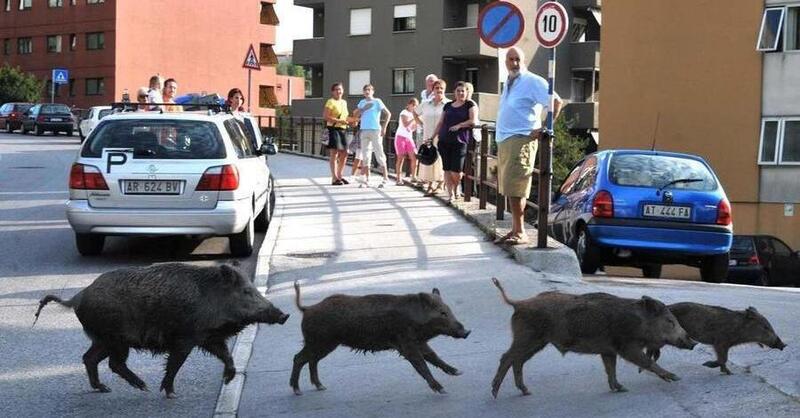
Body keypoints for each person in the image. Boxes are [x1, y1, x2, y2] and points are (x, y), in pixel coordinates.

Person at [495, 46, 562, 245]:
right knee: (508, 186)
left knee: (516, 186)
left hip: (521, 138)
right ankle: (515, 229)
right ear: (505, 62)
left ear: (523, 61)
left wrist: (543, 128)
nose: (514, 63)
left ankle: (521, 231)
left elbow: (556, 101)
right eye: (510, 59)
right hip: (505, 139)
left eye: (517, 59)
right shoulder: (509, 81)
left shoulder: (532, 81)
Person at [432, 81, 478, 203]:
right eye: (458, 91)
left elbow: (473, 121)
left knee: (456, 170)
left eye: (463, 90)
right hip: (444, 139)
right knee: (446, 168)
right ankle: (451, 194)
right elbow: (441, 122)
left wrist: (460, 125)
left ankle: (457, 186)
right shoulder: (448, 105)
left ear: (467, 92)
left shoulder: (470, 104)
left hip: (460, 140)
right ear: (454, 92)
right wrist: (432, 137)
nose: (460, 93)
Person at [352, 84, 391, 188]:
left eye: (369, 90)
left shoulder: (377, 101)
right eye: (365, 90)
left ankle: (385, 178)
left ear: (373, 91)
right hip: (364, 130)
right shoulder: (362, 102)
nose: (367, 92)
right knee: (365, 154)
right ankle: (367, 179)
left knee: (379, 152)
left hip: (375, 130)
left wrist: (384, 127)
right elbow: (355, 115)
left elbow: (388, 113)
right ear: (363, 92)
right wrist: (362, 109)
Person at [416, 79, 448, 195]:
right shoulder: (425, 104)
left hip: (442, 136)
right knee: (429, 159)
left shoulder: (448, 104)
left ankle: (440, 184)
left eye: (441, 88)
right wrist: (420, 123)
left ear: (444, 90)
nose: (439, 90)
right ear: (433, 90)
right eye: (436, 88)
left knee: (440, 159)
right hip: (428, 135)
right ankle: (430, 184)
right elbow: (415, 112)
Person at [323, 82, 350, 186]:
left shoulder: (344, 102)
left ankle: (340, 175)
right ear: (332, 91)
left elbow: (345, 116)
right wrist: (339, 121)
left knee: (345, 152)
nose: (339, 91)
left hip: (343, 129)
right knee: (334, 153)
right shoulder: (330, 102)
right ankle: (334, 178)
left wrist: (352, 120)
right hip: (333, 129)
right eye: (336, 89)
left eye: (340, 89)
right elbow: (326, 116)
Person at [394, 98, 420, 185]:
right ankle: (398, 179)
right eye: (413, 105)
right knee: (400, 158)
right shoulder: (404, 112)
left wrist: (416, 123)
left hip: (409, 138)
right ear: (409, 104)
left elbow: (413, 128)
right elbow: (405, 124)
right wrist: (414, 118)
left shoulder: (414, 114)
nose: (414, 107)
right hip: (400, 137)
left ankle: (413, 176)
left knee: (414, 157)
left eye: (415, 105)